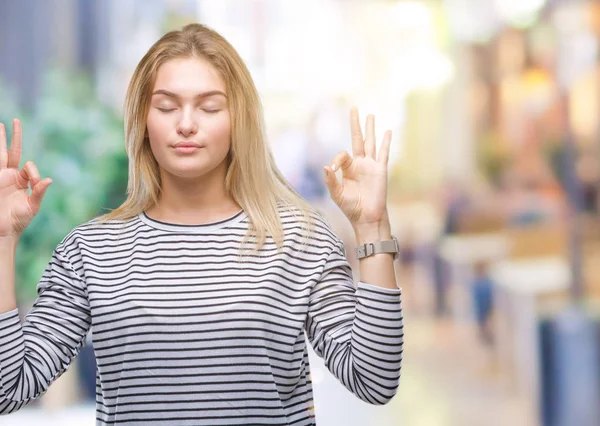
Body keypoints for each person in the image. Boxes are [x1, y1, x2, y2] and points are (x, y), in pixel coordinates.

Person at [0, 23, 404, 425]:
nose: (187, 124)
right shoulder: (90, 250)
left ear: (237, 118)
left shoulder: (299, 238)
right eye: (167, 106)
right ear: (143, 118)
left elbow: (374, 380)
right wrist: (2, 239)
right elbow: (9, 388)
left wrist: (371, 226)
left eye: (209, 107)